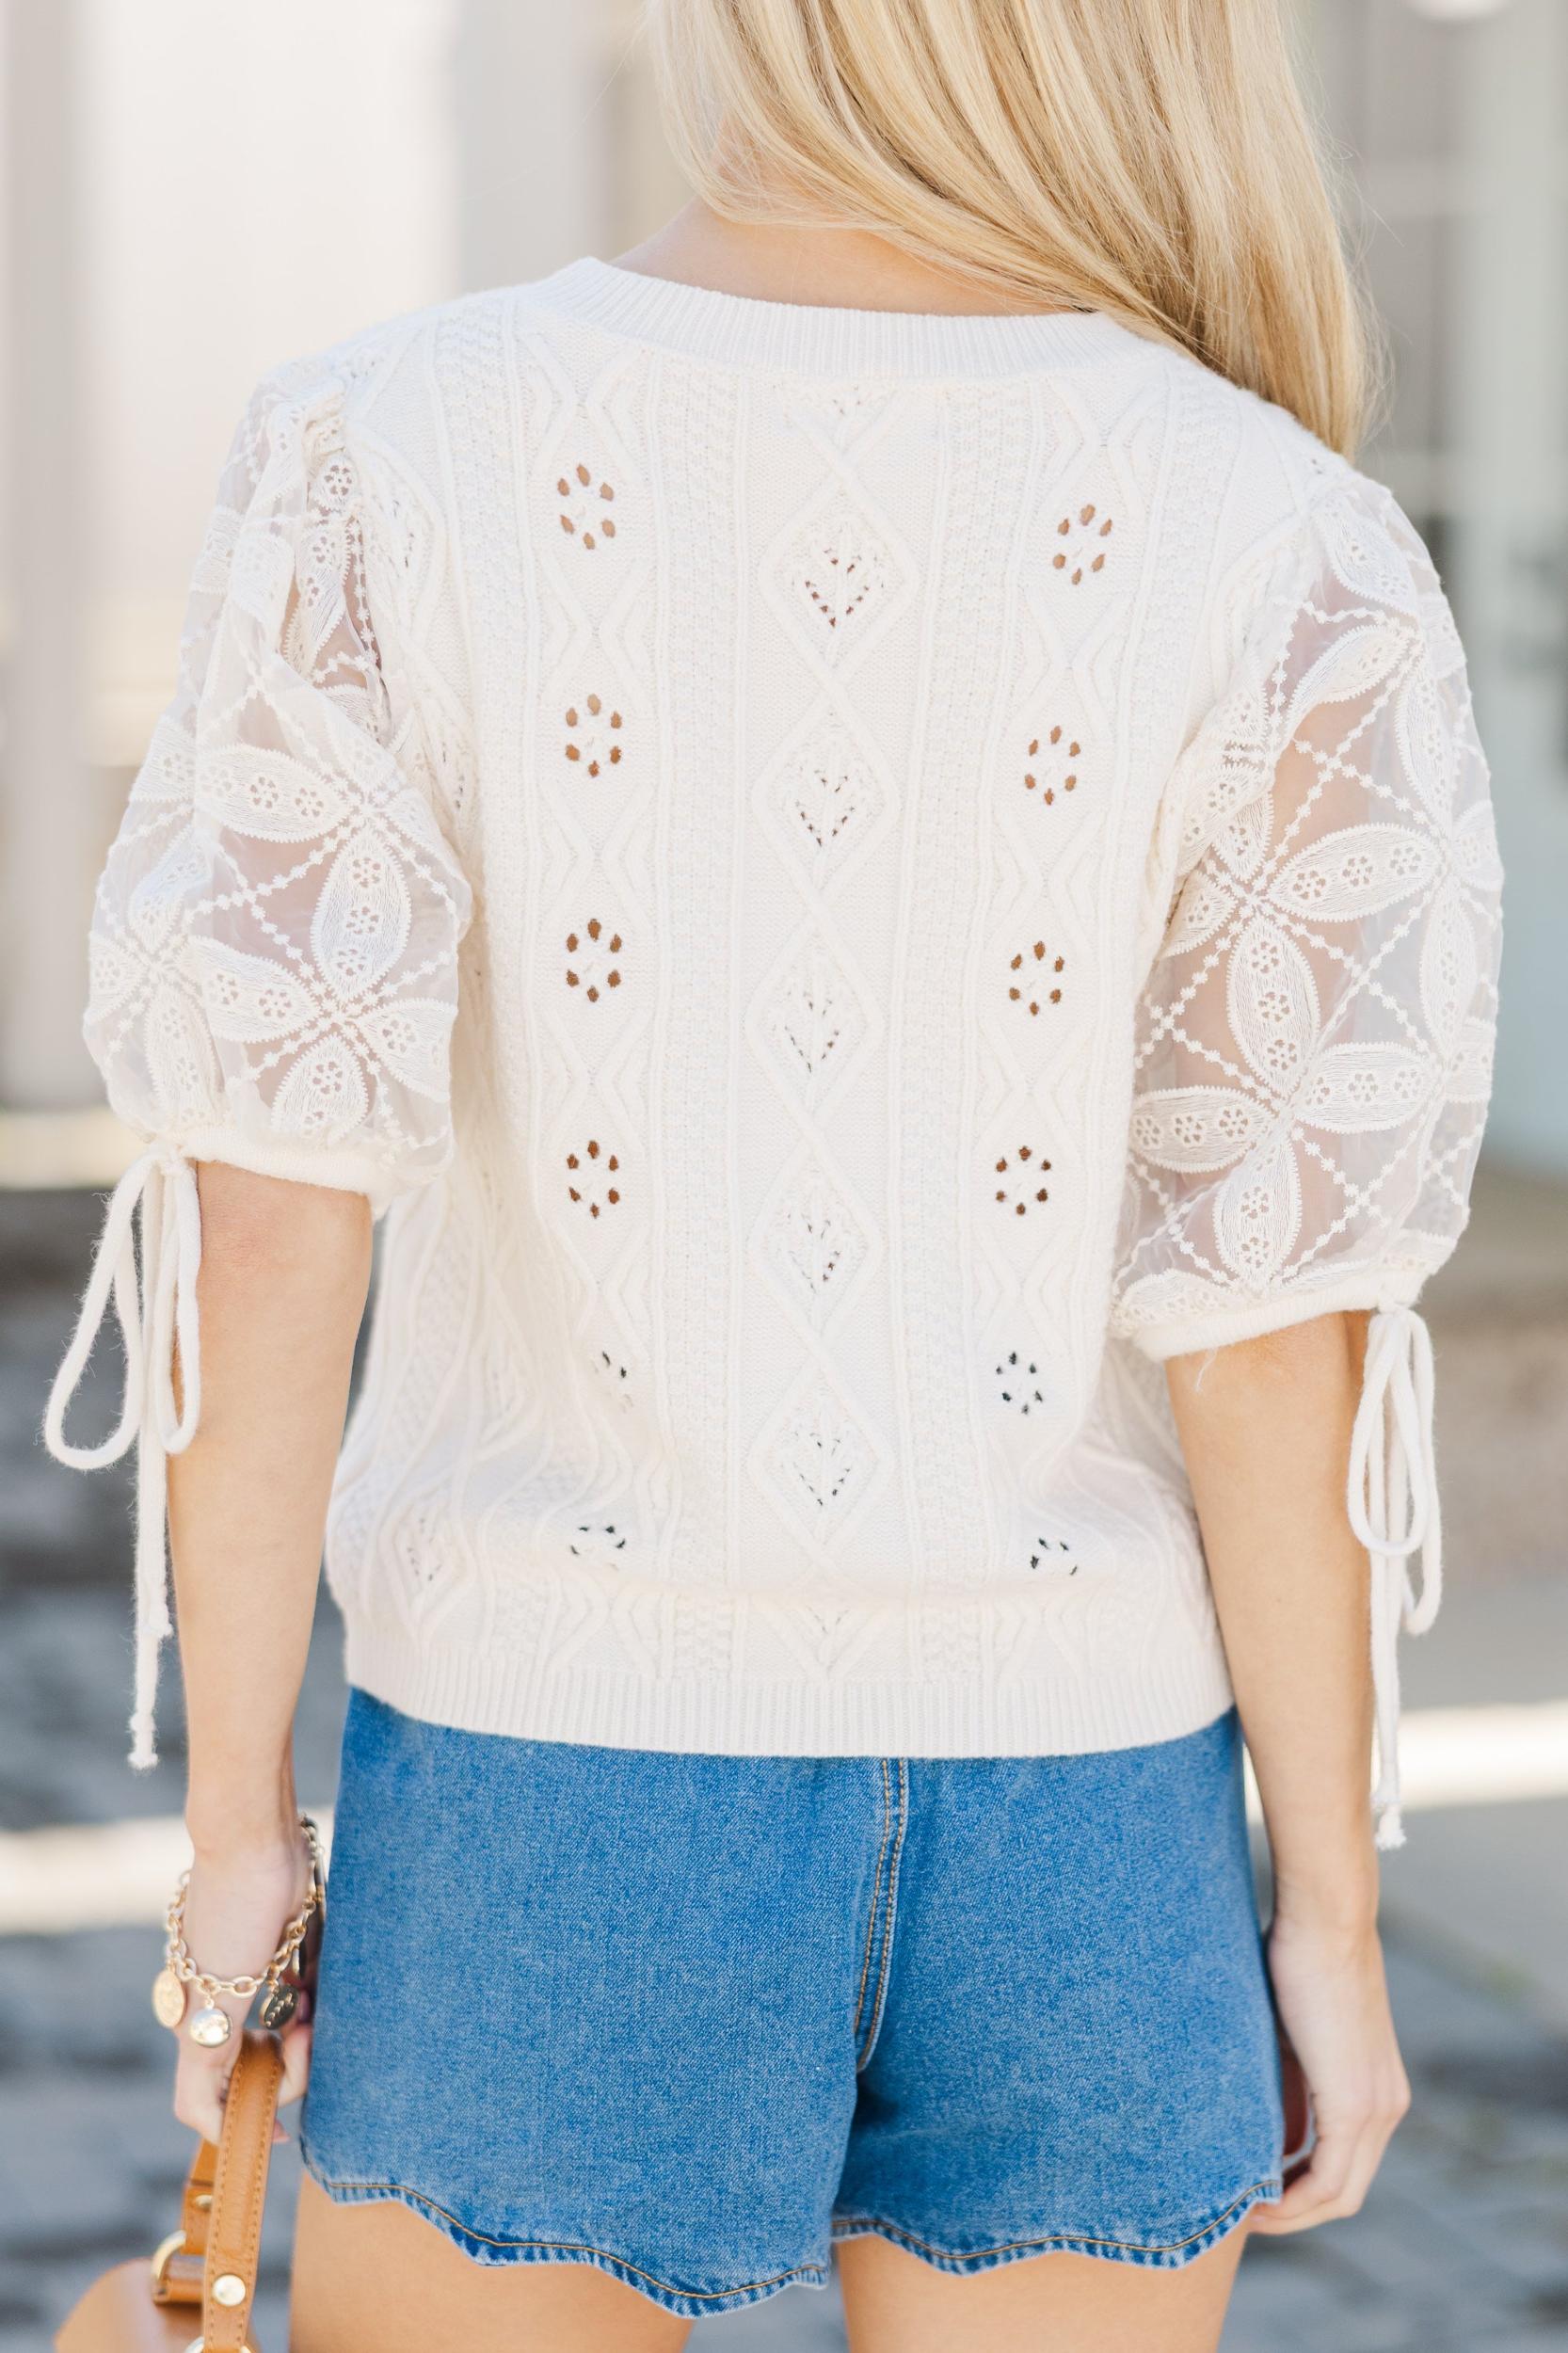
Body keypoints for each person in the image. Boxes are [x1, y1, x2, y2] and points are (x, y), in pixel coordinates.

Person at [46, 2, 1502, 2346]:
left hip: (549, 1770)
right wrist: (1322, 1910)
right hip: (1091, 1806)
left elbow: (270, 1205)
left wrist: (238, 1835)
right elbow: (1268, 1322)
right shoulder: (1280, 529)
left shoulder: (385, 444)